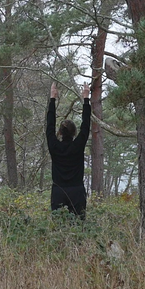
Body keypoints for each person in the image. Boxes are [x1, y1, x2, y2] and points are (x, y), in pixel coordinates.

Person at [46, 82, 91, 219]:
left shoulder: (54, 146)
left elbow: (50, 126)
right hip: (76, 191)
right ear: (74, 133)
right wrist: (86, 99)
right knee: (78, 226)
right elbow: (86, 125)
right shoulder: (78, 145)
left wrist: (52, 99)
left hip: (58, 191)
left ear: (60, 132)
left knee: (59, 227)